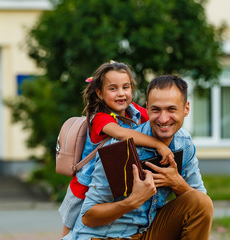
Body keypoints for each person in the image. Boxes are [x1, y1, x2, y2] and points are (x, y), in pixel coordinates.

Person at [63, 75, 213, 240]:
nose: (163, 119)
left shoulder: (183, 143)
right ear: (147, 108)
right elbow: (88, 217)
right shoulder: (119, 149)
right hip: (105, 236)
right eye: (156, 110)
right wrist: (132, 201)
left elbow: (199, 199)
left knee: (201, 203)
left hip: (146, 232)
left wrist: (177, 183)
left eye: (171, 109)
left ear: (186, 109)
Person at [59, 61, 173, 236]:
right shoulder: (100, 118)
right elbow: (122, 134)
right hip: (86, 187)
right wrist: (158, 145)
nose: (121, 93)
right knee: (71, 233)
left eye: (125, 87)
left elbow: (154, 117)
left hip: (112, 183)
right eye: (113, 89)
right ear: (100, 92)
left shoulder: (133, 110)